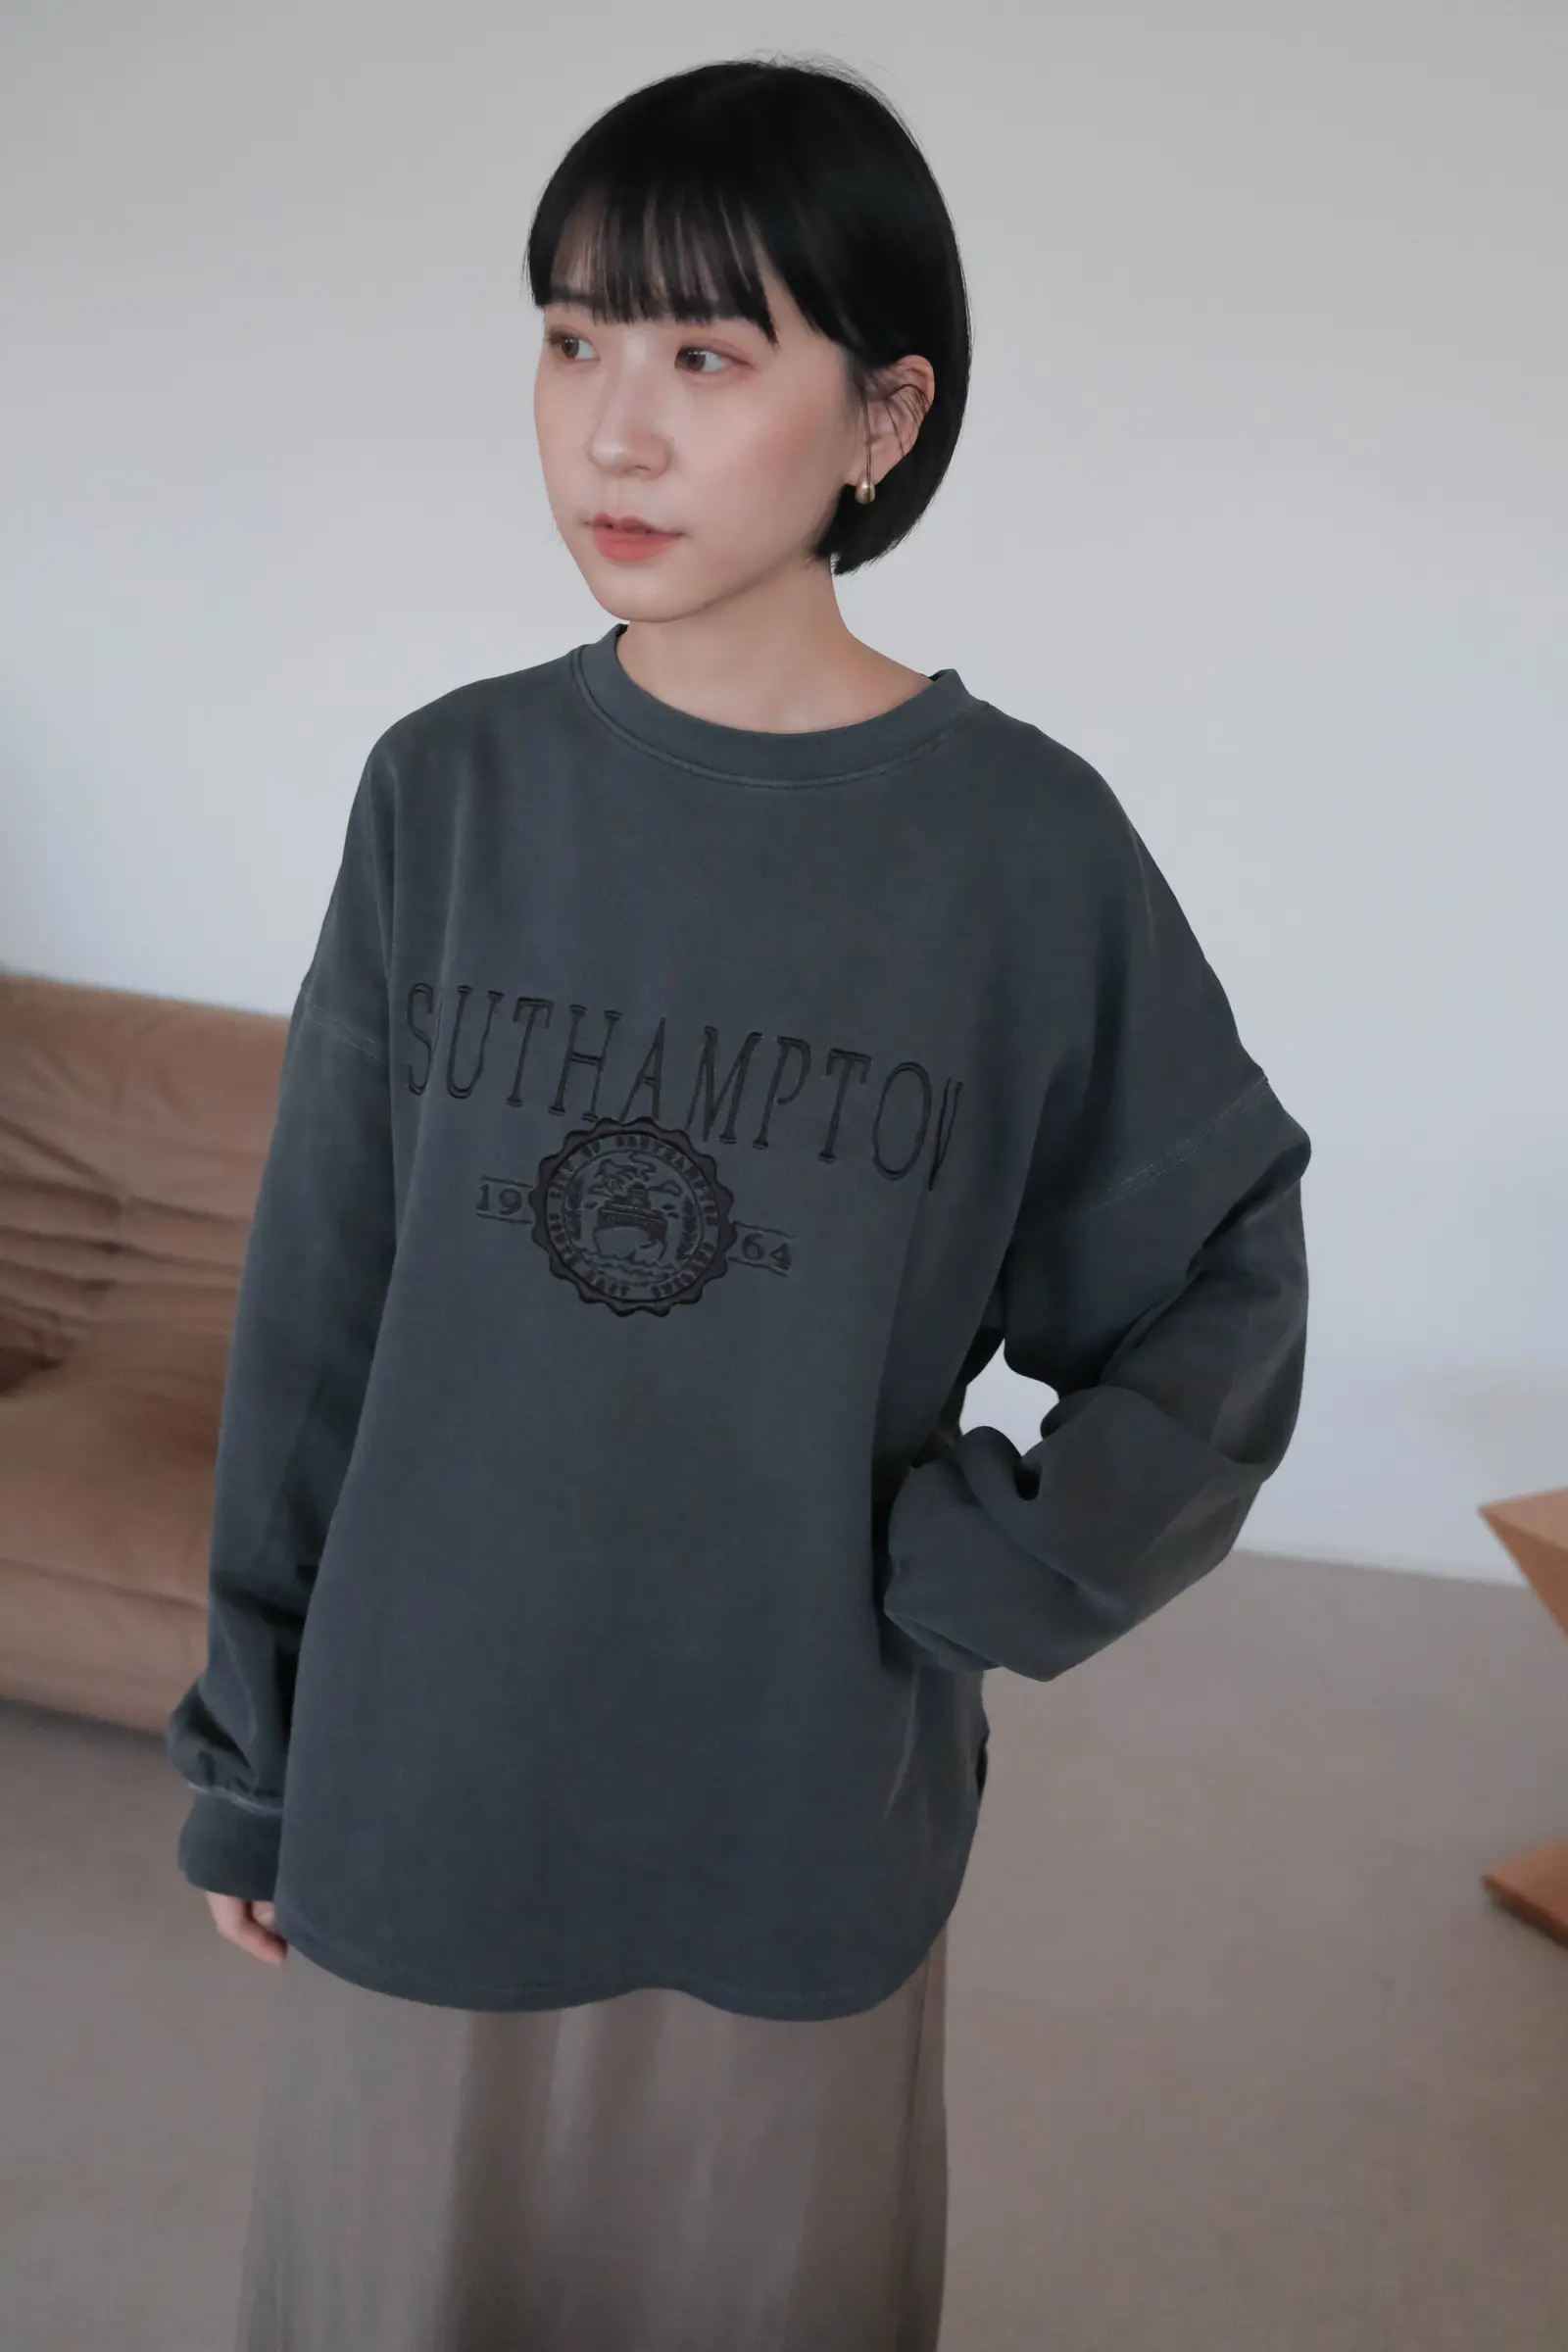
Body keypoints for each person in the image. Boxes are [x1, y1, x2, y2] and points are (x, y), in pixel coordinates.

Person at [164, 53, 1312, 2352]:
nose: (612, 430)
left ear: (882, 416)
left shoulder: (1019, 853)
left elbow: (1216, 1273)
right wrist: (252, 1757)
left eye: (704, 355)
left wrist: (1004, 1563)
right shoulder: (446, 794)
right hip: (427, 1770)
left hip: (790, 1801)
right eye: (571, 339)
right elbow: (319, 1319)